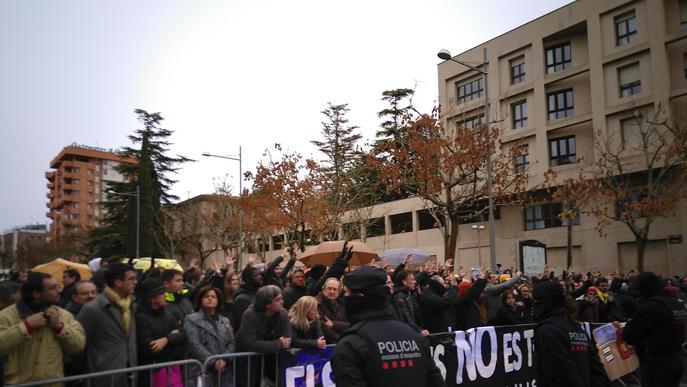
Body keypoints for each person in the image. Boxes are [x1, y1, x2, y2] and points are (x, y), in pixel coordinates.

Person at [331, 266, 445, 387]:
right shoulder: (416, 337)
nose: (344, 297)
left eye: (347, 293)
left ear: (358, 298)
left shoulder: (351, 345)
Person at [0, 272, 85, 385]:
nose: (59, 291)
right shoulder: (6, 316)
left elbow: (78, 346)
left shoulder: (63, 315)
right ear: (36, 294)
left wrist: (59, 327)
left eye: (58, 286)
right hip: (18, 383)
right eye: (53, 288)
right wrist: (26, 327)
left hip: (52, 383)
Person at [533, 280, 609, 387]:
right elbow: (596, 368)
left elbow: (562, 370)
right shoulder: (577, 327)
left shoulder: (547, 330)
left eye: (536, 301)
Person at [622, 271, 687, 387]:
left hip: (656, 363)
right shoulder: (677, 303)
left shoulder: (651, 307)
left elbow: (629, 336)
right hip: (677, 358)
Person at [78, 263, 138, 386]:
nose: (136, 282)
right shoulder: (92, 309)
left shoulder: (132, 305)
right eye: (131, 279)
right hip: (103, 375)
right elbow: (79, 344)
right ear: (118, 283)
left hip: (129, 373)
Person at [236, 285, 291, 387]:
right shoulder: (250, 314)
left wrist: (276, 344)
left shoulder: (283, 314)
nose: (282, 302)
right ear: (267, 303)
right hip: (247, 363)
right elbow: (250, 343)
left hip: (271, 362)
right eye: (278, 300)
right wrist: (278, 343)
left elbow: (287, 339)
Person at [136, 278, 187, 387]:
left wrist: (166, 340)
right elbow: (150, 347)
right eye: (162, 293)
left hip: (170, 368)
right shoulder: (142, 318)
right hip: (152, 372)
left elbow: (183, 335)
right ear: (152, 298)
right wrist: (172, 338)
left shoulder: (167, 314)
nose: (165, 295)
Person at [184, 285, 235, 387]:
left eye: (213, 296)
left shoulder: (225, 320)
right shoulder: (191, 319)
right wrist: (213, 361)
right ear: (201, 300)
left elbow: (232, 342)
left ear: (218, 301)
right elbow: (194, 344)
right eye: (206, 296)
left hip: (223, 370)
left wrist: (224, 359)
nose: (210, 298)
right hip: (200, 369)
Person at [317, 277, 349, 343]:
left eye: (335, 289)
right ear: (323, 289)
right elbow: (323, 327)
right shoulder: (317, 303)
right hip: (326, 345)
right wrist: (341, 340)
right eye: (329, 288)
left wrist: (333, 324)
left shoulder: (341, 303)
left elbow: (349, 324)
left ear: (338, 291)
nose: (332, 291)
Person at [233, 265, 263, 331]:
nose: (260, 277)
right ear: (248, 279)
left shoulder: (259, 293)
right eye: (256, 276)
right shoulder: (241, 299)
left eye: (260, 275)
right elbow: (241, 324)